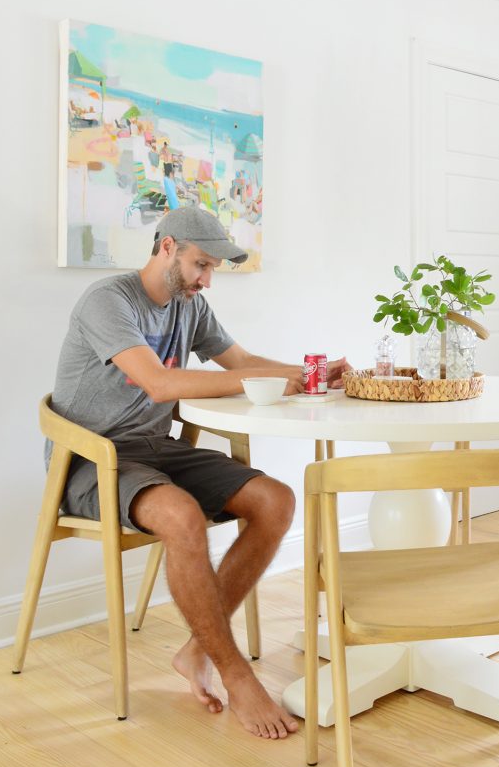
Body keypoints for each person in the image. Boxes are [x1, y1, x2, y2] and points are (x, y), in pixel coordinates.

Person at [50, 206, 350, 739]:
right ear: (167, 248)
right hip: (93, 459)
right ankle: (235, 674)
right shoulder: (108, 301)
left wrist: (311, 375)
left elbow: (241, 362)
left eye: (212, 269)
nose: (206, 279)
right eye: (200, 265)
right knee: (182, 517)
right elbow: (159, 385)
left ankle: (196, 650)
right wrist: (275, 381)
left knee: (274, 500)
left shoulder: (192, 306)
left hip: (154, 448)